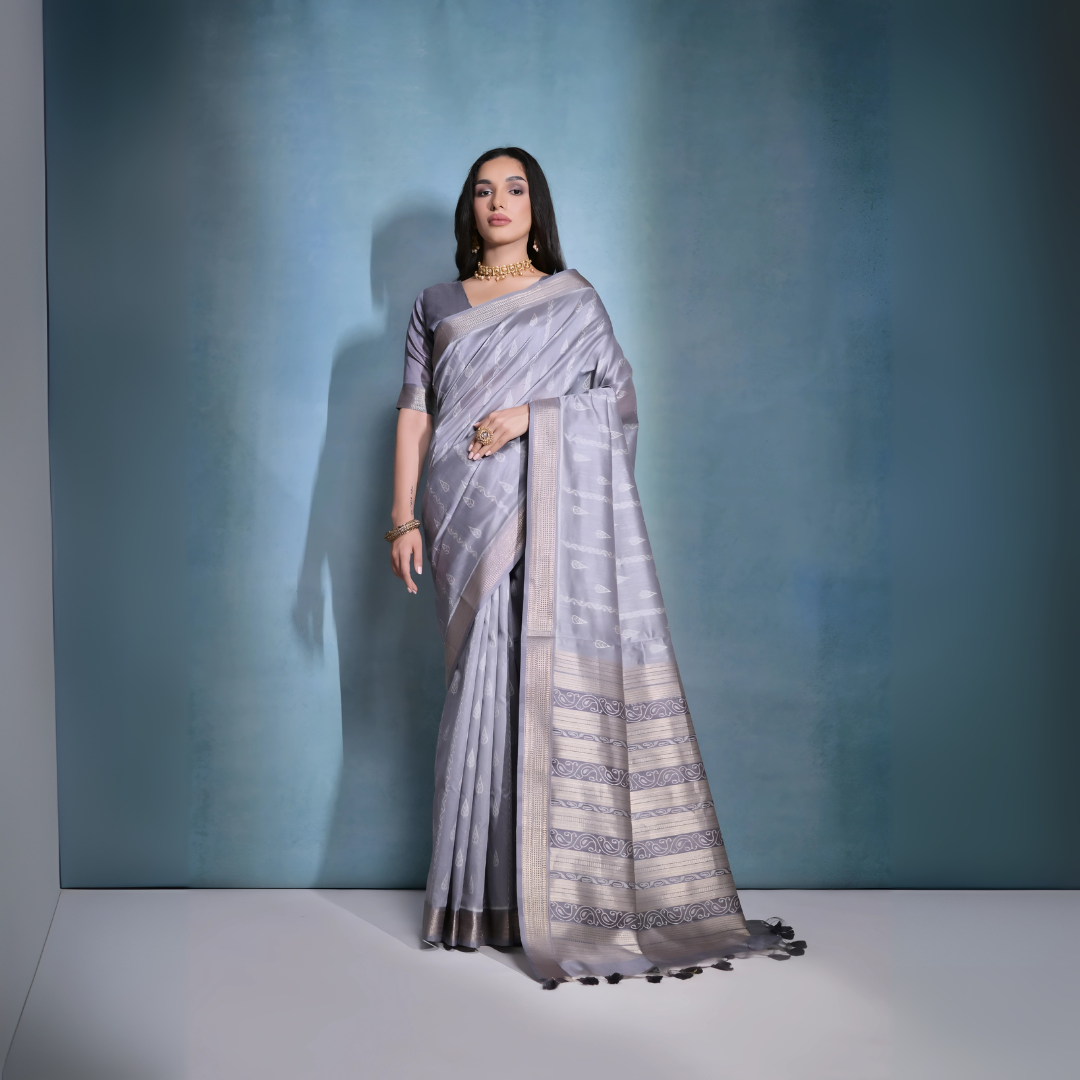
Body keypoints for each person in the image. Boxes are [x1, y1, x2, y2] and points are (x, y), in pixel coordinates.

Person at [387, 147, 801, 986]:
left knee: (531, 688)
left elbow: (617, 400)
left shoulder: (573, 302)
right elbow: (413, 414)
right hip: (462, 518)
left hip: (542, 515)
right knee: (479, 692)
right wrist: (399, 517)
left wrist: (529, 415)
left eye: (513, 189)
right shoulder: (434, 303)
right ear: (469, 210)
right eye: (482, 190)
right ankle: (479, 898)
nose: (497, 202)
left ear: (535, 205)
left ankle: (552, 896)